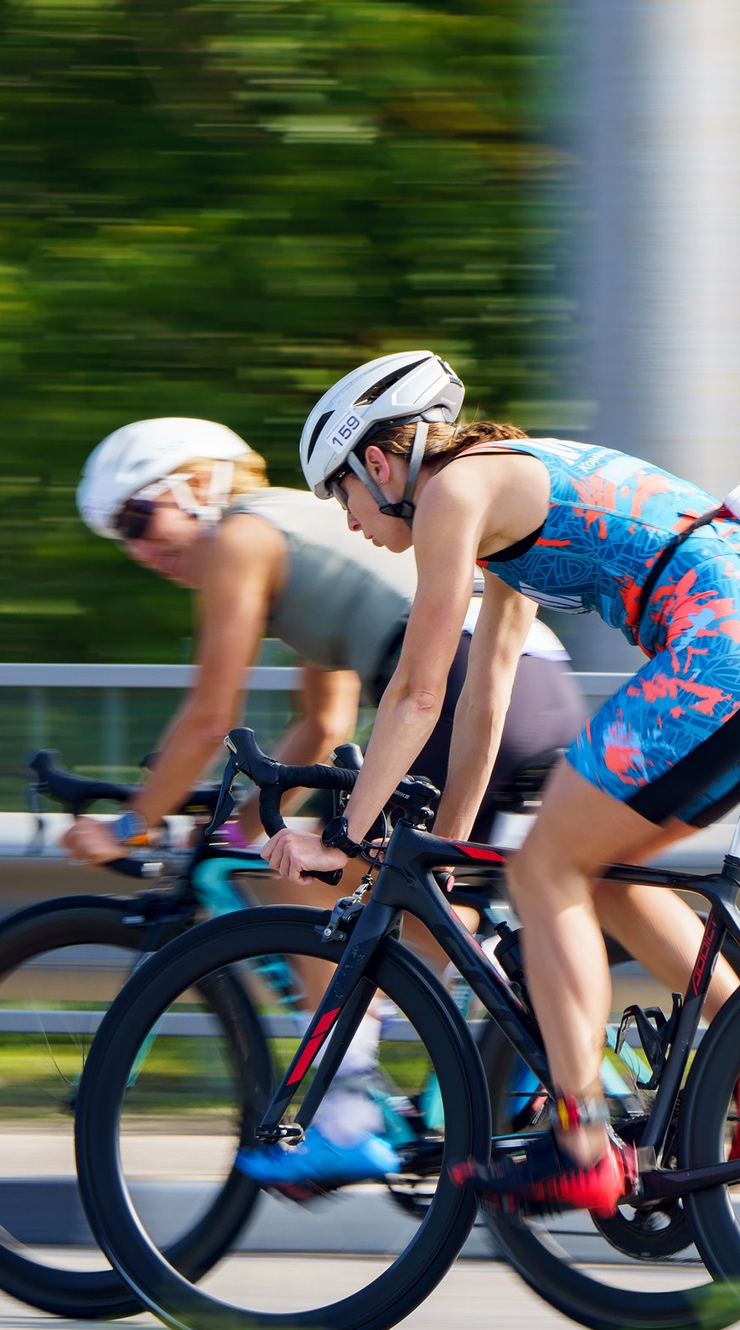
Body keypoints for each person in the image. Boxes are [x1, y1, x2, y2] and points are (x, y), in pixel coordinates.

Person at [262, 352, 740, 1213]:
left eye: (340, 493)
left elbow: (418, 690)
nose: (347, 520)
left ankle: (582, 1143)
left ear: (378, 464)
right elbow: (483, 699)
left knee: (544, 867)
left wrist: (345, 835)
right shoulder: (502, 493)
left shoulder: (453, 492)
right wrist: (447, 845)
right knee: (591, 868)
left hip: (730, 648)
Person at [66, 416, 587, 1190]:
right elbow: (322, 722)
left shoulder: (240, 540)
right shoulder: (297, 530)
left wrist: (132, 823)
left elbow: (209, 715)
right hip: (532, 683)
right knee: (416, 904)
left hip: (464, 686)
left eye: (140, 518)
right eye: (122, 537)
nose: (139, 549)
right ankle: (518, 1042)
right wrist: (240, 827)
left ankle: (348, 1113)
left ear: (199, 486)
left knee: (310, 880)